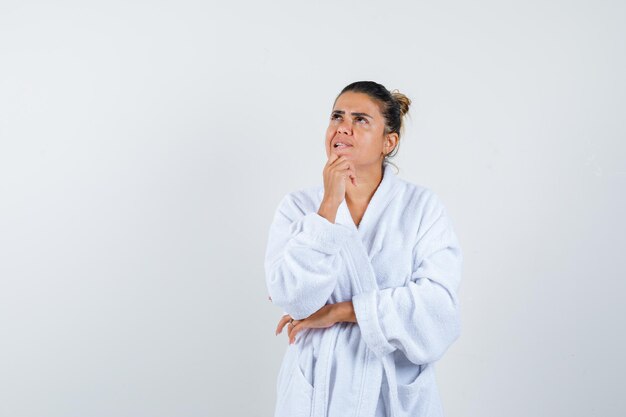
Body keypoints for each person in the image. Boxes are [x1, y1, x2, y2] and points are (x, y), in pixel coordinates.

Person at [264, 80, 463, 417]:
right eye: (337, 116)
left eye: (360, 120)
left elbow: (439, 312)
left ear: (389, 141)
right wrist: (328, 206)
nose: (343, 127)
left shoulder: (422, 208)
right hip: (319, 388)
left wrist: (340, 311)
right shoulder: (299, 207)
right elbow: (293, 298)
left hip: (391, 391)